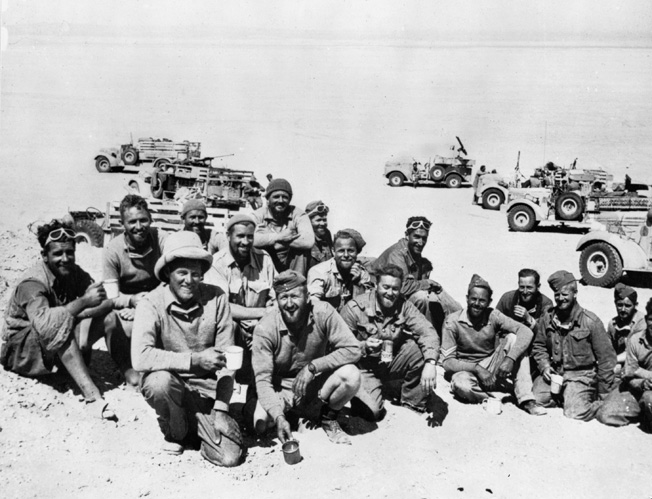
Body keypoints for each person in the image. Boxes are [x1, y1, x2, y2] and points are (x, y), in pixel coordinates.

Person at [131, 231, 243, 465]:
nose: (189, 280)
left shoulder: (217, 298)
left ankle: (197, 424)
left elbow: (228, 360)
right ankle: (176, 430)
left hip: (207, 391)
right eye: (182, 272)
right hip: (172, 384)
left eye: (195, 273)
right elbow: (140, 357)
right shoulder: (151, 303)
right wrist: (194, 360)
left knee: (230, 457)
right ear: (168, 274)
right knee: (158, 383)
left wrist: (222, 408)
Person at [1, 220, 116, 420]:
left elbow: (105, 301)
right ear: (44, 256)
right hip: (20, 350)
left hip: (48, 346)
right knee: (59, 325)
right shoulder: (33, 282)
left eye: (69, 252)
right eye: (57, 254)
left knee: (109, 317)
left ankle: (130, 377)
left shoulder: (74, 272)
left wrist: (82, 308)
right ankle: (92, 397)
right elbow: (46, 324)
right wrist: (83, 303)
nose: (65, 258)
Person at [248, 270, 362, 444]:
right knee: (260, 424)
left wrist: (313, 367)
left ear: (308, 297)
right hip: (281, 388)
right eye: (283, 298)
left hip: (313, 384)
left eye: (295, 296)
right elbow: (263, 380)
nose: (289, 303)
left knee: (351, 375)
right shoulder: (265, 328)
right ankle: (291, 416)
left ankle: (328, 418)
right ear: (277, 301)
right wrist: (278, 416)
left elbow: (353, 349)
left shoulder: (323, 312)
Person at [339, 264, 439, 420]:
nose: (390, 293)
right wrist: (363, 346)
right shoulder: (354, 308)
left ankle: (411, 402)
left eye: (395, 289)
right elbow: (337, 348)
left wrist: (431, 363)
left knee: (419, 350)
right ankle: (362, 392)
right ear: (376, 285)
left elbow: (427, 331)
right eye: (385, 287)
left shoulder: (403, 305)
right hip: (362, 367)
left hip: (389, 362)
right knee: (372, 413)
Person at [441, 274, 546, 416]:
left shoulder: (493, 315)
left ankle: (526, 399)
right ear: (467, 298)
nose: (477, 304)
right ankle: (490, 398)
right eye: (473, 299)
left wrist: (510, 358)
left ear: (489, 302)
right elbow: (448, 362)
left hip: (490, 365)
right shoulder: (452, 321)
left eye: (482, 300)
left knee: (514, 338)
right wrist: (476, 369)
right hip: (466, 368)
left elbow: (526, 331)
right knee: (462, 385)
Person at [531, 270, 617, 421]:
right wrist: (544, 366)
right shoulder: (548, 318)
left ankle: (588, 399)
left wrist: (604, 394)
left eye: (565, 294)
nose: (560, 298)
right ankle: (568, 397)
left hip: (581, 376)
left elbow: (606, 359)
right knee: (535, 399)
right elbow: (539, 346)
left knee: (574, 413)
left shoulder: (590, 321)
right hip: (556, 375)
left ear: (575, 293)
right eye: (557, 295)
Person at [103, 195, 167, 386]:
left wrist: (146, 304)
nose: (139, 226)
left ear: (151, 219)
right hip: (127, 306)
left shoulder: (161, 239)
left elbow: (174, 280)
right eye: (132, 222)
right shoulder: (113, 250)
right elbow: (110, 295)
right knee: (112, 322)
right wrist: (131, 301)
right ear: (123, 224)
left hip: (158, 300)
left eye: (143, 220)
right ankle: (126, 368)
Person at [204, 214, 276, 382]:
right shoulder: (217, 263)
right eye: (240, 236)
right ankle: (225, 384)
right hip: (230, 327)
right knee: (231, 326)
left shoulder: (264, 259)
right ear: (228, 236)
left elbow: (275, 296)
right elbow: (223, 307)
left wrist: (262, 323)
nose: (245, 242)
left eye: (250, 236)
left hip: (260, 325)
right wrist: (262, 313)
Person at [370, 216, 460, 331]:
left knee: (440, 295)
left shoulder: (413, 253)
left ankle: (460, 322)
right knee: (421, 297)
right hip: (382, 299)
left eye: (424, 238)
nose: (420, 242)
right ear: (407, 235)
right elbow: (402, 287)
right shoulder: (397, 254)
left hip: (396, 297)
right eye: (416, 237)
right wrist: (427, 283)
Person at [596, 297, 652, 430]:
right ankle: (642, 412)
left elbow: (635, 370)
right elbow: (629, 375)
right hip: (638, 388)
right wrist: (643, 383)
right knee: (605, 414)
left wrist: (641, 372)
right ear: (646, 320)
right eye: (651, 319)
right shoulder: (635, 340)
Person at [252, 178, 315, 276]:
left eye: (285, 197)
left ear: (290, 199)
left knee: (302, 252)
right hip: (266, 262)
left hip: (291, 262)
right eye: (276, 197)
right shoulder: (258, 215)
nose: (280, 201)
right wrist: (279, 237)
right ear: (268, 198)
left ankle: (296, 284)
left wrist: (270, 239)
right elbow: (250, 239)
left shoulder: (298, 213)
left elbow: (308, 241)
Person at [307, 229, 373, 312]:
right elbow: (314, 306)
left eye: (350, 251)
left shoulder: (362, 273)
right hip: (326, 320)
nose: (346, 255)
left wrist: (357, 285)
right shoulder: (320, 272)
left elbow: (368, 308)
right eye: (341, 251)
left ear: (357, 252)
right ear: (333, 251)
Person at [606, 283, 646, 373]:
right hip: (620, 361)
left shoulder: (642, 323)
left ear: (635, 305)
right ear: (615, 303)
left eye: (628, 306)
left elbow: (633, 353)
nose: (623, 309)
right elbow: (607, 347)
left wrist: (611, 361)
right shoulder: (613, 323)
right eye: (620, 305)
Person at [305, 200, 333, 270]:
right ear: (309, 222)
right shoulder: (304, 238)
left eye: (324, 220)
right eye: (318, 220)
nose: (323, 223)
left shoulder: (326, 234)